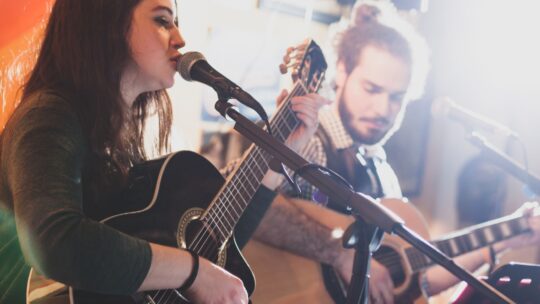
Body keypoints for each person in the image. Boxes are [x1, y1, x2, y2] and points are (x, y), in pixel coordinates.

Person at [0, 0, 329, 303]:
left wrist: (278, 159)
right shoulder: (47, 117)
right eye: (162, 21)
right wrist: (193, 271)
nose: (181, 39)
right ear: (105, 24)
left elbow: (216, 248)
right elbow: (55, 243)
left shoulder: (117, 142)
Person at [247, 1, 540, 303]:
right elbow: (250, 209)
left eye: (397, 98)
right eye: (372, 89)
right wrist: (339, 254)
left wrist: (501, 239)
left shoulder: (382, 172)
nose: (383, 109)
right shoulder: (310, 141)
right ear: (342, 72)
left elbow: (418, 280)